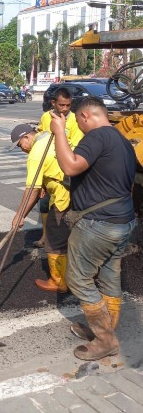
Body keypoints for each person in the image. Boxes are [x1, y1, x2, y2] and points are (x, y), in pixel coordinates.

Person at [50, 96, 136, 361]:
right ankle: (106, 332)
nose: (79, 125)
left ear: (86, 116)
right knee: (109, 278)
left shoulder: (97, 137)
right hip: (122, 221)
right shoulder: (122, 141)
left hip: (98, 225)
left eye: (78, 120)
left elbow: (71, 165)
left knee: (78, 279)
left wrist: (59, 132)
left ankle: (106, 340)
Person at [10, 123, 71, 292]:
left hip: (63, 196)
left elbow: (32, 190)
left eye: (20, 145)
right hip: (79, 191)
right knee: (73, 236)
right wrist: (44, 181)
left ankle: (58, 282)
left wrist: (20, 215)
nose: (22, 150)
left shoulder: (36, 153)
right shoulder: (49, 136)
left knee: (54, 237)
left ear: (27, 137)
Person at [33, 87, 84, 248]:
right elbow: (40, 139)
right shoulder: (46, 117)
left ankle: (65, 240)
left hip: (64, 173)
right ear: (53, 103)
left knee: (62, 209)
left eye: (68, 105)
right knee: (44, 204)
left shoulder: (75, 121)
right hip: (47, 170)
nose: (65, 109)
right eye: (61, 105)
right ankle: (45, 236)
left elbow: (75, 147)